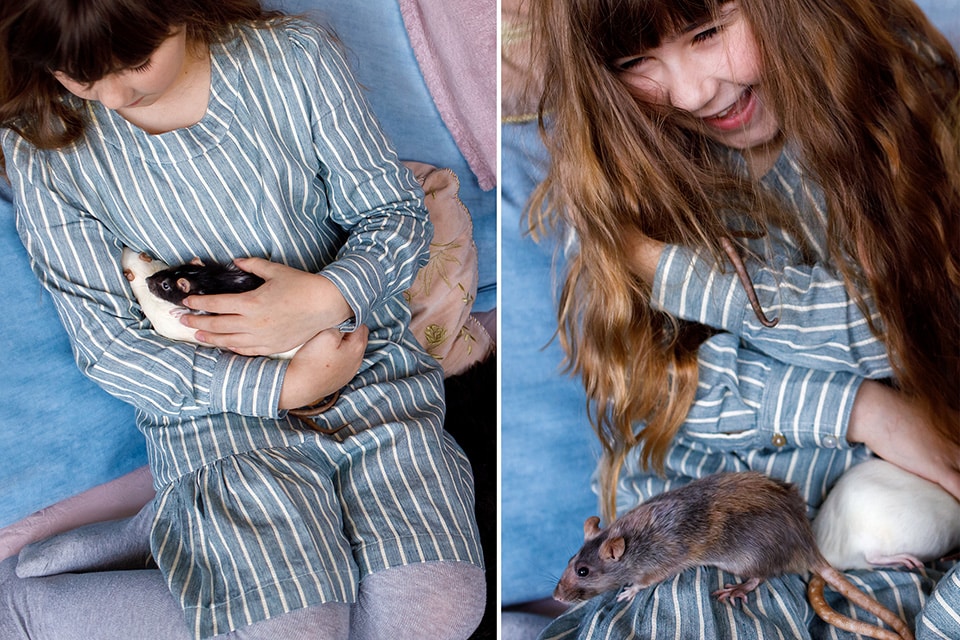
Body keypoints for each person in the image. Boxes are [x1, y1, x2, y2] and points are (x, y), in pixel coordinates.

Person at [0, 0, 485, 638]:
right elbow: (108, 346)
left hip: (372, 377)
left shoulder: (292, 58)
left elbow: (394, 213)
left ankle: (165, 534)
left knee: (437, 616)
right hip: (216, 424)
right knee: (294, 628)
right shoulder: (44, 148)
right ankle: (33, 604)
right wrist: (281, 388)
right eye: (79, 77)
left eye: (137, 64)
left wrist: (324, 297)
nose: (113, 96)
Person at [523, 0, 960, 637]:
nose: (694, 92)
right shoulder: (627, 175)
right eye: (635, 61)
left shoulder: (907, 128)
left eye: (707, 32)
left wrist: (674, 273)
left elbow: (891, 326)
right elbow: (655, 387)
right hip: (686, 553)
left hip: (862, 557)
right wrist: (859, 408)